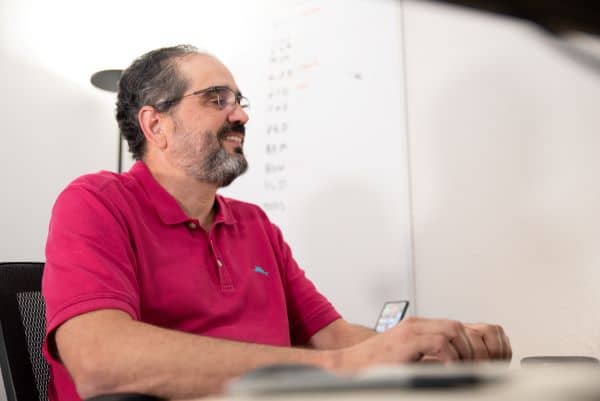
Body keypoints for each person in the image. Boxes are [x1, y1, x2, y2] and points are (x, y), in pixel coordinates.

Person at [42, 45, 511, 401]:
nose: (241, 115)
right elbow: (99, 361)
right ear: (155, 125)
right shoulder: (94, 203)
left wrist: (428, 350)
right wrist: (344, 366)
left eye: (240, 100)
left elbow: (335, 336)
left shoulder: (254, 225)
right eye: (216, 99)